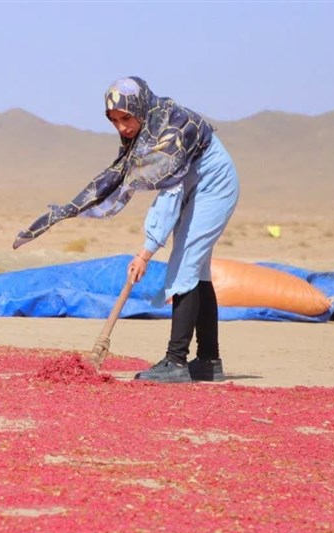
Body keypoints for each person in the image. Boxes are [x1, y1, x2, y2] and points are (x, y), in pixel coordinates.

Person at [12, 76, 240, 383]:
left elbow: (168, 196)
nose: (122, 128)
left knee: (185, 263)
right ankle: (209, 361)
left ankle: (176, 362)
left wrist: (145, 253)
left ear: (140, 108)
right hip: (192, 182)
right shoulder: (149, 124)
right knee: (196, 269)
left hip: (214, 185)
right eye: (114, 120)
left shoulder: (168, 135)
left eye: (126, 118)